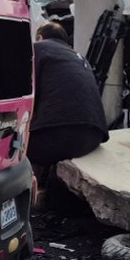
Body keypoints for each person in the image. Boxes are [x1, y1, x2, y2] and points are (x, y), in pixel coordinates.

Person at [27, 22, 109, 169]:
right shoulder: (79, 57)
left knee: (7, 149)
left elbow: (26, 93)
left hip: (61, 136)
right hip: (94, 136)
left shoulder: (38, 48)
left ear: (39, 38)